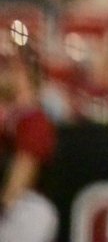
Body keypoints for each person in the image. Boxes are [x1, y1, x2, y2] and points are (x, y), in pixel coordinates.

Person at [0, 45, 58, 242]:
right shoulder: (12, 116)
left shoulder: (33, 119)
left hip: (23, 209)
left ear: (23, 74)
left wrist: (5, 204)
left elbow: (23, 170)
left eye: (8, 69)